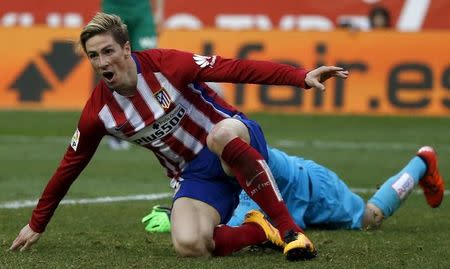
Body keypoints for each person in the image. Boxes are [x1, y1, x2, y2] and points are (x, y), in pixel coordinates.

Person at [9, 12, 350, 261]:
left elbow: (235, 68)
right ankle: (260, 229)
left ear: (126, 49)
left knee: (219, 135)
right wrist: (37, 224)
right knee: (190, 245)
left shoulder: (167, 65)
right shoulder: (99, 112)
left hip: (233, 137)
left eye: (108, 51)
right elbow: (70, 165)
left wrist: (300, 77)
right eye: (94, 56)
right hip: (195, 175)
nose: (101, 62)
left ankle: (291, 231)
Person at [143, 146, 444, 233]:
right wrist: (178, 210)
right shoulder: (210, 157)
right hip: (284, 187)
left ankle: (422, 163)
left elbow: (235, 224)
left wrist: (179, 221)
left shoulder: (244, 165)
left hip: (312, 187)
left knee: (370, 218)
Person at [102, 0, 159, 150]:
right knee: (115, 66)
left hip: (142, 9)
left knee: (147, 63)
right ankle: (116, 127)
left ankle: (150, 123)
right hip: (114, 7)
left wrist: (159, 11)